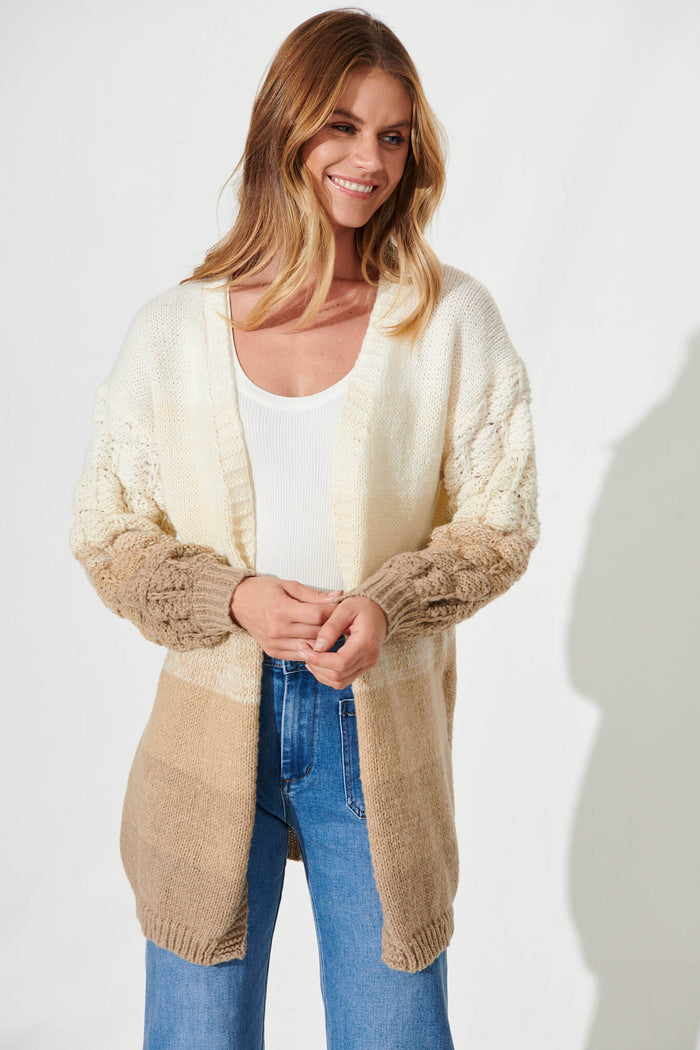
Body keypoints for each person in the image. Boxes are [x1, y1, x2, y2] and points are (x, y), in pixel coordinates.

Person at [70, 9, 540, 1049]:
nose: (369, 159)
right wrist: (231, 596)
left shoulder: (447, 319)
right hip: (207, 733)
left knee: (394, 1029)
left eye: (393, 135)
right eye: (342, 126)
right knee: (198, 1034)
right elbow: (108, 530)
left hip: (376, 732)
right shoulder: (173, 331)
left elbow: (500, 518)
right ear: (285, 127)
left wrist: (390, 604)